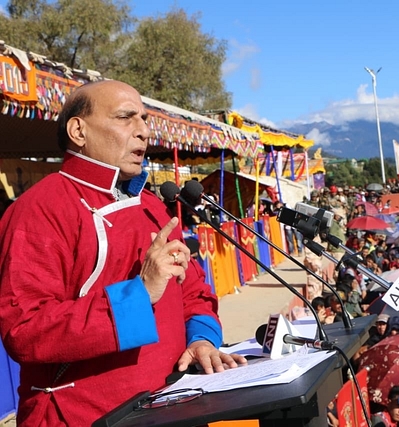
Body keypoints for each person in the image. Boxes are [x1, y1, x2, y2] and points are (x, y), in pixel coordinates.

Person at [0, 81, 247, 426]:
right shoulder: (40, 209)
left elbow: (193, 293)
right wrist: (140, 293)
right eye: (125, 118)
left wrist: (201, 341)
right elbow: (25, 331)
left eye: (144, 119)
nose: (144, 131)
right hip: (84, 415)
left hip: (171, 403)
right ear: (78, 130)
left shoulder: (153, 207)